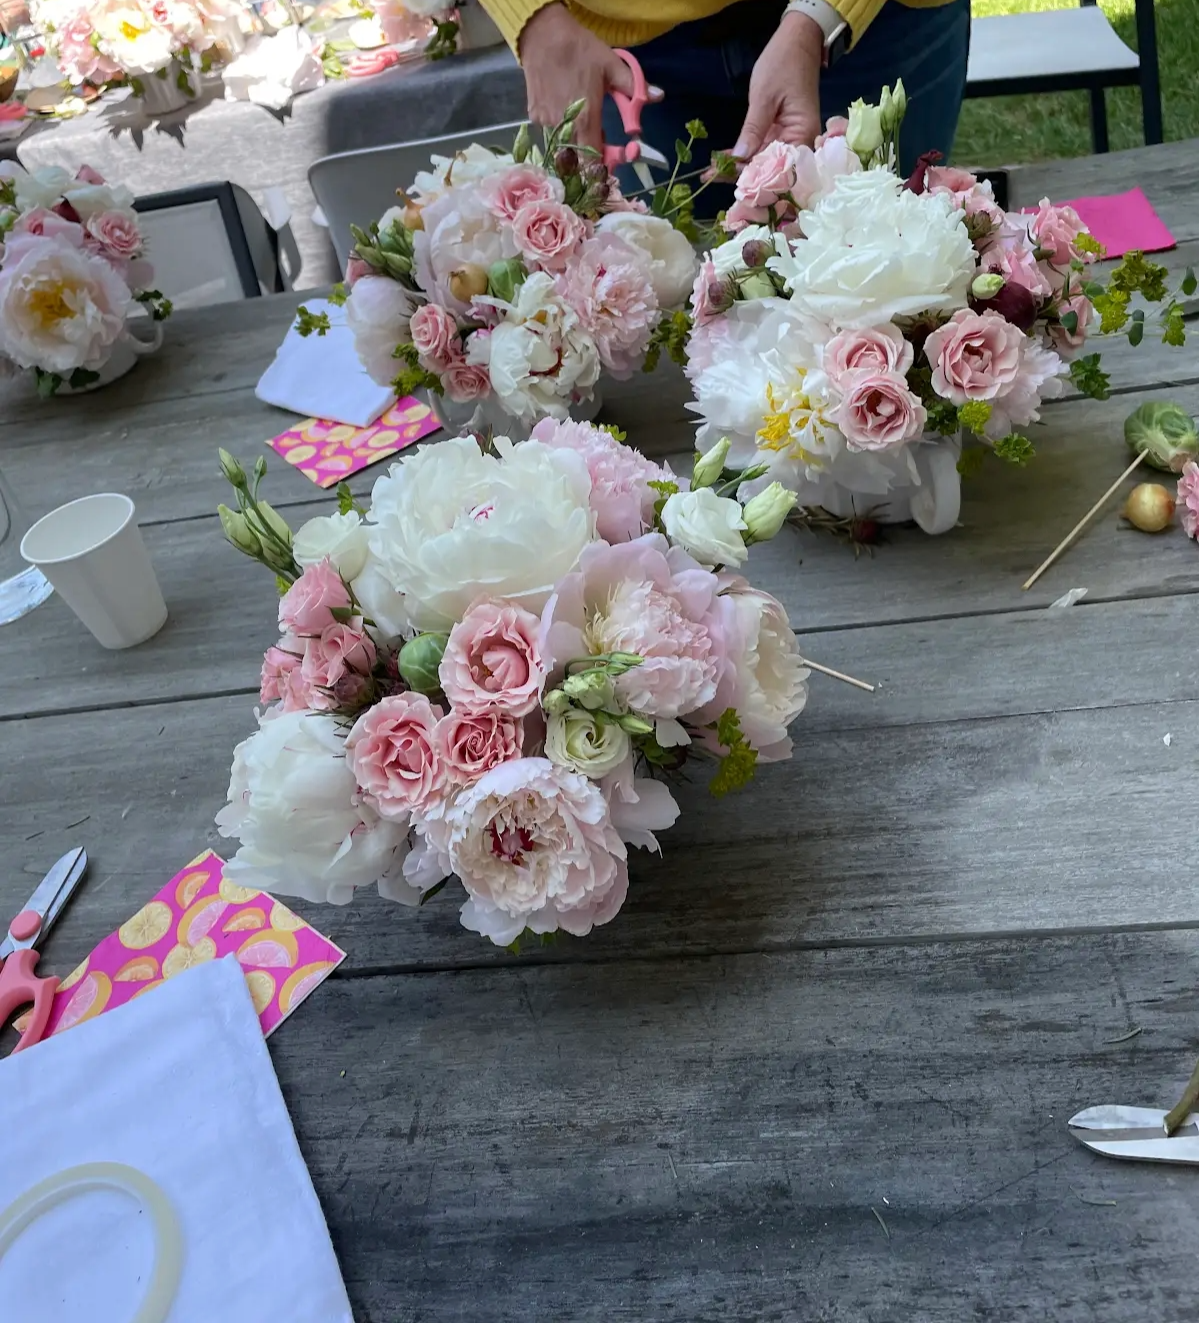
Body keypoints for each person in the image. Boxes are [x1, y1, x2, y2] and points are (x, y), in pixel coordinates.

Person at [479, 0, 970, 192]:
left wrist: (821, 15)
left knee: (892, 301)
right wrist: (532, 17)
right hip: (627, 43)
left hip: (875, 26)